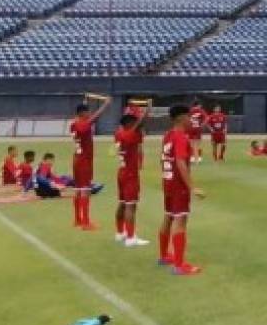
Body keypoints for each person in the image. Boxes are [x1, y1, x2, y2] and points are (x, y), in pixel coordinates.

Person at [160, 104, 205, 275]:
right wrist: (192, 187)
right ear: (180, 118)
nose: (191, 120)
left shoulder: (168, 136)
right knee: (181, 220)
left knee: (168, 217)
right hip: (178, 185)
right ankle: (179, 266)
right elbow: (180, 162)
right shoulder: (180, 137)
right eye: (188, 116)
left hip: (168, 182)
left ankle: (164, 256)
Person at [70, 94, 110, 231]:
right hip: (84, 161)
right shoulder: (83, 124)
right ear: (82, 113)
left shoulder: (74, 123)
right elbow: (94, 118)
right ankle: (86, 222)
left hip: (77, 159)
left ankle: (77, 220)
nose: (89, 114)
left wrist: (85, 102)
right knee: (85, 190)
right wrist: (106, 104)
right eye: (87, 112)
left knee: (78, 189)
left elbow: (86, 119)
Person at [114, 106, 151, 247]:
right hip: (130, 174)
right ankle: (130, 237)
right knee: (131, 205)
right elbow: (140, 123)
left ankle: (119, 233)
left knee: (122, 203)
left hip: (122, 172)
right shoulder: (129, 134)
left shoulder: (119, 133)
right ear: (129, 123)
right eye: (133, 122)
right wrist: (147, 110)